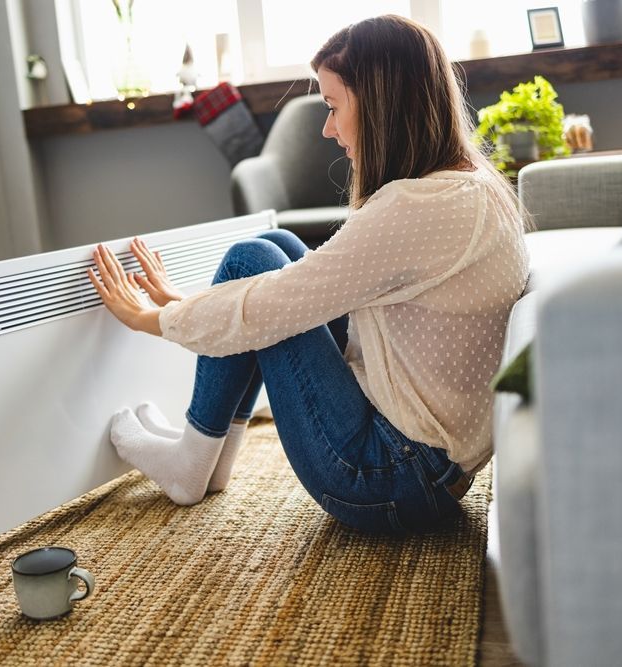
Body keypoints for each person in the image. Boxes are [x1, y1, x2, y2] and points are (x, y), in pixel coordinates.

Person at [87, 15, 529, 534]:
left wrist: (155, 318)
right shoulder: (471, 187)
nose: (327, 127)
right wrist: (188, 309)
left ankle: (191, 461)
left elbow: (274, 305)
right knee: (276, 250)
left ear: (381, 105)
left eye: (332, 106)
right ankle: (202, 459)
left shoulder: (416, 207)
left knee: (255, 261)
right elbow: (310, 289)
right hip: (430, 469)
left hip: (387, 478)